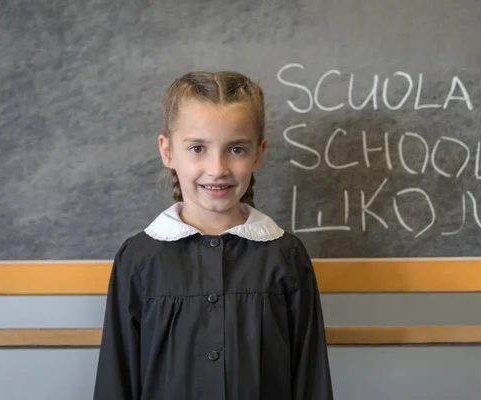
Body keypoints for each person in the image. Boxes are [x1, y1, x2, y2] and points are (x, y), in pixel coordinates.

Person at [93, 71, 334, 400]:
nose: (217, 168)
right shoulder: (138, 259)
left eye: (236, 149)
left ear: (258, 154)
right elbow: (116, 378)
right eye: (197, 148)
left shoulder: (286, 257)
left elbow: (311, 378)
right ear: (167, 151)